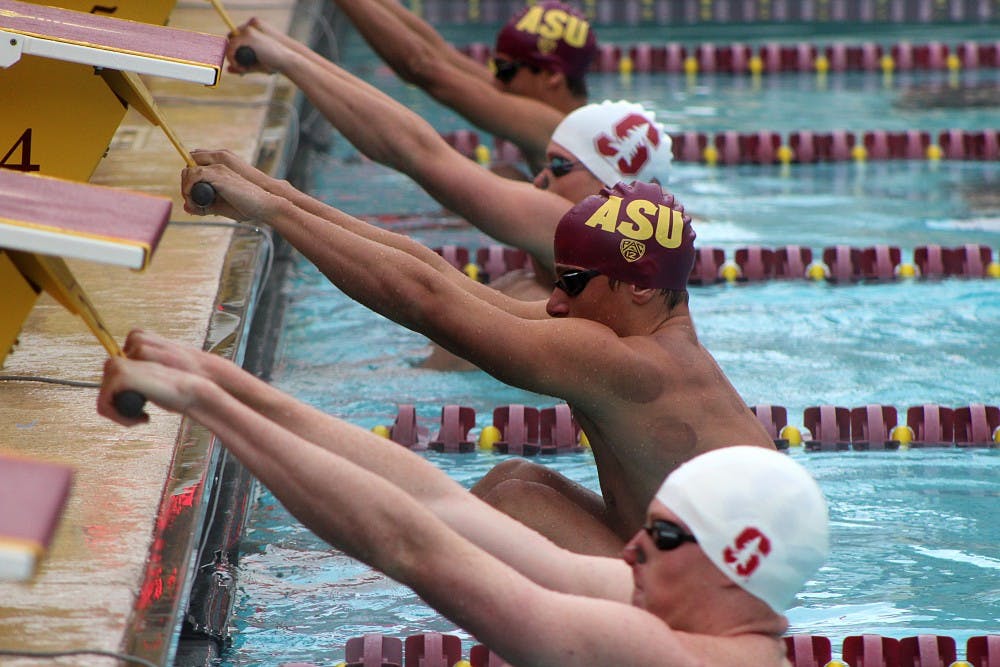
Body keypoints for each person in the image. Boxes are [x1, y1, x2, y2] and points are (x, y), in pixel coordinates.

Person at [96, 345, 829, 667]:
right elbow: (443, 507)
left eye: (664, 535)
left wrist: (204, 407)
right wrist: (228, 387)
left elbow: (415, 549)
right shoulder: (679, 614)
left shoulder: (661, 653)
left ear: (744, 560)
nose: (630, 545)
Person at [175, 169, 776, 555]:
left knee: (519, 508)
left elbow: (429, 303)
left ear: (638, 287)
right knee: (515, 483)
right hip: (690, 566)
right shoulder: (645, 344)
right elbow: (439, 276)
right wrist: (268, 194)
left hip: (707, 613)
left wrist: (275, 217)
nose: (554, 301)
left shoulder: (628, 362)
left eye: (571, 280)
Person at [224, 17, 671, 301]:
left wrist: (289, 60)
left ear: (607, 187)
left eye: (557, 168)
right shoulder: (593, 252)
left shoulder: (571, 225)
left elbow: (419, 149)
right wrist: (289, 56)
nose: (539, 180)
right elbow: (429, 272)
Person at [321, 0, 597, 173]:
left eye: (505, 69)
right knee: (503, 175)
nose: (495, 80)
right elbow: (439, 53)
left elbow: (423, 68)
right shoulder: (556, 113)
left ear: (552, 77)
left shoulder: (560, 128)